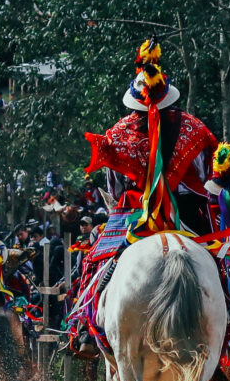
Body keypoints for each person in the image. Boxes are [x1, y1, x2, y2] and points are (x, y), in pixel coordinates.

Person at [82, 40, 220, 235]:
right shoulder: (194, 127)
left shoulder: (117, 133)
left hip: (135, 213)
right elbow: (204, 174)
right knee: (220, 258)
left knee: (97, 260)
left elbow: (115, 190)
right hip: (187, 211)